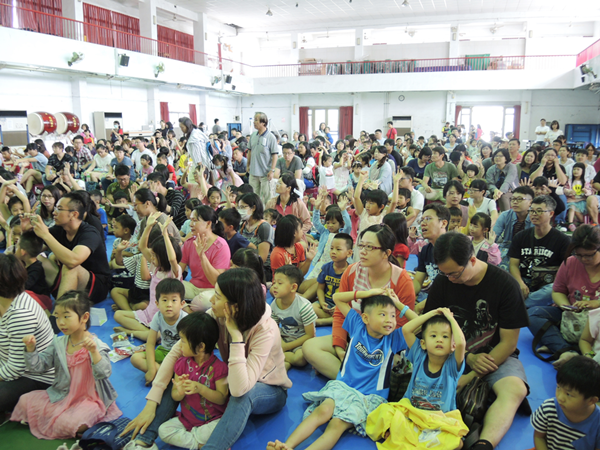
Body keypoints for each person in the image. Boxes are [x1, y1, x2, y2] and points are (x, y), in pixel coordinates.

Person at [122, 268, 291, 450]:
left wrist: (235, 337)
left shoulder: (266, 329)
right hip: (234, 380)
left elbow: (240, 389)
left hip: (268, 390)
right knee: (181, 374)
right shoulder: (218, 315)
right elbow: (176, 352)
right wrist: (151, 404)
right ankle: (145, 441)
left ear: (234, 307)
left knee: (243, 396)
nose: (211, 301)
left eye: (217, 296)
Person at [424, 232, 530, 450]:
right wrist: (467, 358)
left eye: (454, 274)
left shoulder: (506, 286)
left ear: (473, 260)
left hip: (495, 356)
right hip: (448, 353)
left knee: (515, 389)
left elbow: (509, 343)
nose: (449, 279)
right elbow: (429, 330)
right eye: (444, 274)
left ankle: (484, 443)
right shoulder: (443, 281)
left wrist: (472, 376)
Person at [268, 292, 413, 450]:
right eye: (383, 314)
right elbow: (338, 298)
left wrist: (398, 304)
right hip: (343, 386)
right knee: (323, 410)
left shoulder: (394, 339)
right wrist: (373, 292)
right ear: (365, 318)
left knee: (336, 425)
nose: (389, 320)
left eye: (393, 316)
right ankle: (286, 446)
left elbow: (419, 325)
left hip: (369, 397)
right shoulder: (357, 326)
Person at [303, 224, 415, 380]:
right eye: (361, 245)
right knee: (310, 347)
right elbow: (340, 314)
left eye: (369, 247)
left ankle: (346, 376)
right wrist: (340, 348)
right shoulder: (352, 272)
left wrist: (370, 351)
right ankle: (355, 379)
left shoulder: (402, 280)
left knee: (393, 363)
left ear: (386, 253)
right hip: (353, 338)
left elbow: (403, 326)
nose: (362, 251)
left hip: (382, 347)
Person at [11, 290, 121, 439]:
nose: (61, 322)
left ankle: (71, 423)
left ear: (84, 317)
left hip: (89, 399)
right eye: (57, 317)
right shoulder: (59, 343)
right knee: (25, 400)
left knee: (74, 422)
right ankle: (65, 421)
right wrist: (30, 350)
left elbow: (104, 373)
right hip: (62, 394)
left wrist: (94, 352)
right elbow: (38, 367)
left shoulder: (96, 345)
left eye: (66, 316)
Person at [529, 225, 600, 368]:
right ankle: (568, 350)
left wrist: (596, 304)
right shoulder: (571, 263)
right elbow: (558, 291)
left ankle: (562, 348)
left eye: (589, 255)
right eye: (579, 255)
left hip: (596, 323)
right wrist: (566, 306)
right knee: (532, 314)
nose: (584, 259)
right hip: (574, 318)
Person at [157, 312, 229, 449]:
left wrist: (200, 388)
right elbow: (175, 395)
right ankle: (199, 444)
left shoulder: (220, 368)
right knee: (163, 431)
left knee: (222, 427)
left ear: (201, 347)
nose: (180, 345)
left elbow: (221, 399)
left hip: (213, 420)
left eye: (183, 341)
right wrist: (180, 391)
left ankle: (196, 440)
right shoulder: (181, 364)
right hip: (187, 420)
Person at [29, 192, 110, 303]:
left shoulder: (90, 233)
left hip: (96, 287)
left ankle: (59, 313)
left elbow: (73, 261)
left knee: (71, 267)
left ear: (74, 214)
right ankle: (32, 300)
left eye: (59, 209)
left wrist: (46, 235)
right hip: (68, 281)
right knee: (37, 259)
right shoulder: (59, 229)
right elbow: (30, 250)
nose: (54, 212)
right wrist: (24, 231)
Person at [114, 213, 182, 341]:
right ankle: (150, 333)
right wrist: (149, 225)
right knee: (118, 315)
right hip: (149, 313)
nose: (152, 258)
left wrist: (165, 234)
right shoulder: (156, 268)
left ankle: (135, 332)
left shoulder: (174, 272)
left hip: (162, 316)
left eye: (155, 256)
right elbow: (142, 247)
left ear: (163, 257)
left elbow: (172, 258)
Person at [0, 254, 54, 414]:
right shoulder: (7, 299)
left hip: (35, 376)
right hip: (8, 364)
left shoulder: (20, 315)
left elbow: (16, 368)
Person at [509, 195, 571, 308]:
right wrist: (520, 283)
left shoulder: (562, 240)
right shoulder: (520, 237)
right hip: (524, 282)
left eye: (539, 211)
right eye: (531, 211)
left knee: (552, 290)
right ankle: (523, 306)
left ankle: (519, 307)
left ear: (551, 214)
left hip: (546, 284)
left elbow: (565, 270)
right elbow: (513, 265)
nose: (533, 214)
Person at [402, 307, 466, 412]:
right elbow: (406, 329)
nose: (439, 340)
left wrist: (450, 318)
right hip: (412, 414)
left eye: (445, 337)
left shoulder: (452, 366)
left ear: (453, 346)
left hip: (440, 420)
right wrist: (433, 313)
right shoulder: (419, 356)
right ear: (423, 344)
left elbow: (461, 343)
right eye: (433, 335)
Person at [531, 356, 600, 450]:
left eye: (569, 394)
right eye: (558, 387)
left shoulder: (597, 422)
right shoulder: (549, 408)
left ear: (591, 400)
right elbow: (539, 437)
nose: (560, 397)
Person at [131, 279, 188, 385]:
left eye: (174, 300)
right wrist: (151, 369)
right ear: (157, 303)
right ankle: (166, 375)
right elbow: (151, 343)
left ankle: (164, 375)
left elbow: (189, 349)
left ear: (182, 303)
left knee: (188, 370)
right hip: (164, 351)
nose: (169, 305)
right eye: (165, 300)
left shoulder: (185, 320)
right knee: (135, 358)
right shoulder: (158, 317)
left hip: (181, 356)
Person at [180, 205, 230, 312]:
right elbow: (178, 270)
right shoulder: (189, 243)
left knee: (201, 303)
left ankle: (185, 309)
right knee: (166, 287)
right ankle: (189, 312)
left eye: (195, 221)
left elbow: (216, 281)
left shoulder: (221, 246)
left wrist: (202, 256)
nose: (190, 224)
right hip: (192, 287)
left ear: (208, 223)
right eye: (190, 220)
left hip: (212, 290)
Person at [271, 265, 317, 371]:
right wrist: (281, 343)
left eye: (280, 283)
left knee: (300, 359)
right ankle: (285, 362)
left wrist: (285, 347)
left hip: (301, 342)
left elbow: (310, 335)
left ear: (293, 287)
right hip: (283, 338)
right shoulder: (275, 303)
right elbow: (274, 326)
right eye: (274, 283)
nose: (274, 287)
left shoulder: (303, 306)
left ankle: (282, 359)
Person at [411, 204, 449, 307]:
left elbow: (449, 290)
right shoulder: (426, 249)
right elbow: (418, 281)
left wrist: (421, 306)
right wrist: (409, 297)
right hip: (433, 298)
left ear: (443, 223)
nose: (423, 224)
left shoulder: (452, 249)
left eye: (428, 219)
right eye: (422, 220)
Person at [314, 233, 353, 327]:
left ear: (349, 253)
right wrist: (322, 303)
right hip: (326, 303)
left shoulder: (351, 271)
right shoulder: (326, 268)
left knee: (350, 313)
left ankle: (324, 321)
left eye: (338, 249)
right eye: (331, 248)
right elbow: (320, 288)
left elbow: (352, 295)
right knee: (312, 307)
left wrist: (339, 306)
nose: (333, 252)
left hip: (341, 305)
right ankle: (331, 320)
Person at [248, 112, 279, 205]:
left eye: (256, 120)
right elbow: (249, 151)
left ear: (263, 123)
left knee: (267, 197)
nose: (254, 122)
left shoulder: (271, 137)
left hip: (265, 173)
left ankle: (267, 215)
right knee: (253, 196)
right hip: (253, 172)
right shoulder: (253, 135)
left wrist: (272, 170)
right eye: (254, 120)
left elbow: (275, 155)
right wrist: (248, 165)